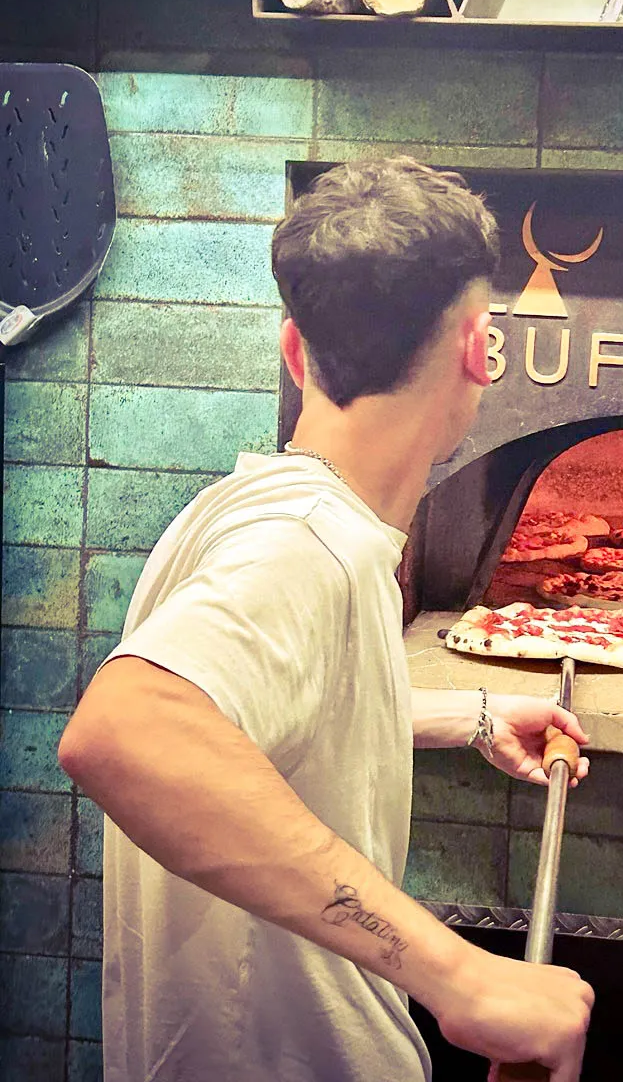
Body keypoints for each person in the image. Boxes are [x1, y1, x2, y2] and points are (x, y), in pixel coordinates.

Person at [59, 157, 595, 1082]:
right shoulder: (309, 545)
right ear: (480, 349)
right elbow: (124, 735)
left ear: (294, 352)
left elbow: (262, 711)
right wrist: (462, 976)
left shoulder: (261, 508)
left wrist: (465, 715)